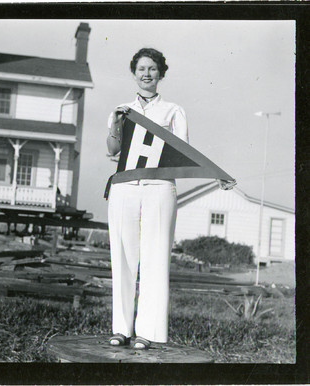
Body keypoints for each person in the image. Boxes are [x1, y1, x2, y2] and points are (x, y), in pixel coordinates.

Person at [105, 48, 189, 350]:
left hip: (159, 188)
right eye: (141, 68)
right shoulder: (122, 109)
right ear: (134, 72)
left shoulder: (174, 111)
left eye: (152, 68)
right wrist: (116, 122)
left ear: (161, 73)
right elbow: (113, 149)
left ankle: (148, 332)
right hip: (125, 188)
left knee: (155, 259)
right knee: (123, 257)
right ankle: (121, 329)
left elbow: (181, 152)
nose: (146, 74)